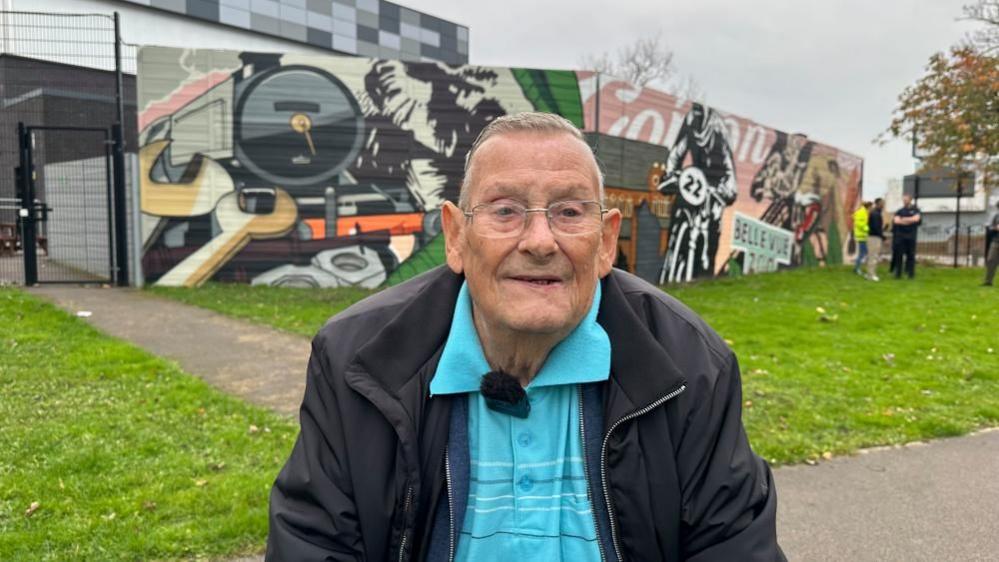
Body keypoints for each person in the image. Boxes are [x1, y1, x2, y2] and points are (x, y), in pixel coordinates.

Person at [266, 113, 784, 561]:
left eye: (569, 212)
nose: (539, 242)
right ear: (456, 237)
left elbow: (734, 545)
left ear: (606, 242)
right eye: (506, 210)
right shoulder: (354, 361)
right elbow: (314, 543)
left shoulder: (691, 365)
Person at [891, 194, 922, 279]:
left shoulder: (915, 210)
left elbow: (916, 219)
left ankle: (910, 274)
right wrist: (910, 220)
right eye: (903, 200)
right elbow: (896, 221)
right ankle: (898, 274)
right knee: (899, 256)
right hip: (900, 237)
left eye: (906, 199)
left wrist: (903, 219)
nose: (904, 201)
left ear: (910, 200)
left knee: (911, 256)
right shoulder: (899, 211)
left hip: (911, 237)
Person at [867, 198, 885, 281]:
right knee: (873, 256)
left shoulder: (875, 213)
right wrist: (882, 236)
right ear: (877, 204)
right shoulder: (875, 214)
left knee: (872, 256)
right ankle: (871, 274)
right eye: (882, 203)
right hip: (874, 237)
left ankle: (870, 273)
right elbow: (875, 227)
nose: (883, 205)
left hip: (873, 236)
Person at [853, 201, 871, 276]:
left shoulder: (864, 212)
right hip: (861, 235)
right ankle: (857, 268)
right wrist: (867, 228)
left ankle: (857, 267)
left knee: (864, 252)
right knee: (862, 253)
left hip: (863, 235)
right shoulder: (862, 212)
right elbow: (859, 223)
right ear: (869, 206)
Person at [984, 200, 999, 286]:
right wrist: (995, 228)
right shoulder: (996, 216)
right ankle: (988, 281)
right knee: (991, 260)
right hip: (996, 241)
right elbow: (990, 228)